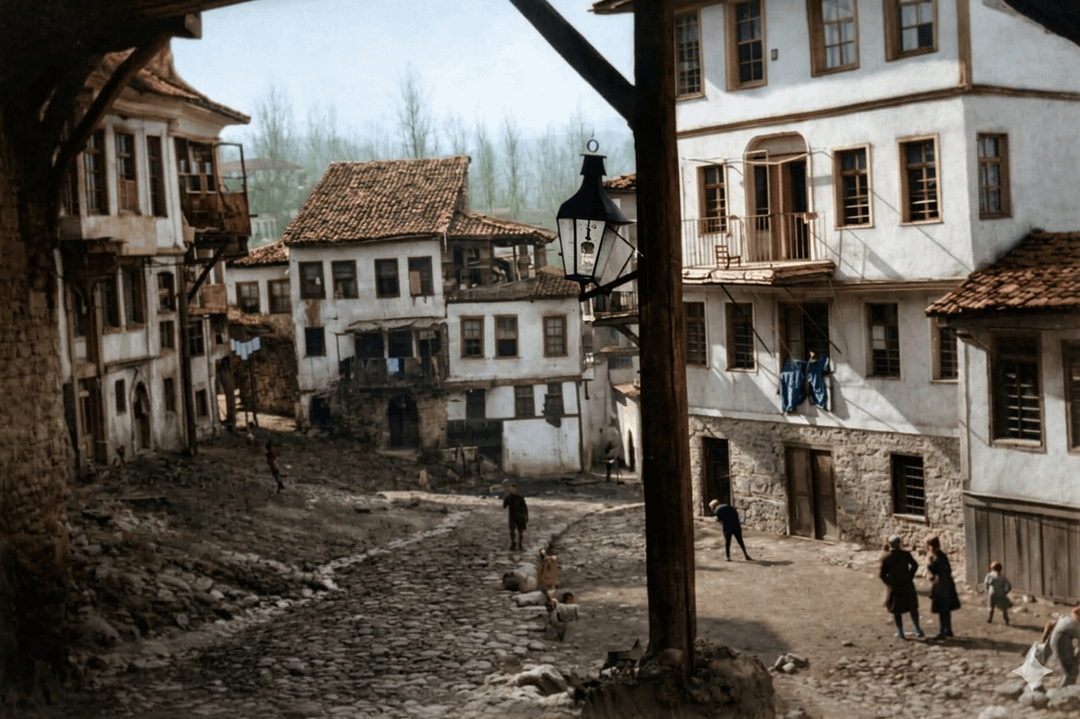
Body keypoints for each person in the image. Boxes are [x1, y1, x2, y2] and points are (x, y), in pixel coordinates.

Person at [879, 535, 924, 639]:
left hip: (895, 587)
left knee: (896, 609)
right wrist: (910, 576)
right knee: (912, 607)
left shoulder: (886, 557)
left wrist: (889, 583)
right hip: (907, 584)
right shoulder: (905, 554)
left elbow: (882, 574)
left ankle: (900, 631)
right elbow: (915, 565)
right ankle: (917, 629)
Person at [1035, 605, 1080, 688]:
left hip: (1058, 639)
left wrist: (1043, 639)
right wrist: (1077, 659)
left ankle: (1064, 687)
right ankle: (1065, 692)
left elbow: (1049, 624)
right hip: (1061, 641)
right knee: (1071, 670)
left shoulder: (1065, 617)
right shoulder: (1075, 625)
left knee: (1068, 668)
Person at [925, 536, 960, 639]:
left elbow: (935, 570)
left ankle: (942, 631)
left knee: (942, 609)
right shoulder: (942, 555)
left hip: (941, 585)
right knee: (946, 609)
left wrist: (929, 562)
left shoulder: (937, 557)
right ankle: (948, 630)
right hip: (947, 584)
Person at [983, 560, 1012, 625]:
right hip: (1000, 593)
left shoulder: (989, 575)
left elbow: (986, 584)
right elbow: (1008, 585)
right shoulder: (1003, 577)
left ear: (992, 568)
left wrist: (987, 591)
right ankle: (1006, 620)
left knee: (991, 606)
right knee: (1003, 608)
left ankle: (989, 619)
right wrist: (1005, 592)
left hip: (992, 593)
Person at [503, 484, 528, 551]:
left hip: (520, 516)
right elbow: (504, 506)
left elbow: (525, 507)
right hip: (512, 517)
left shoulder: (520, 498)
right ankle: (513, 542)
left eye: (513, 489)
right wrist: (506, 500)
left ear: (516, 490)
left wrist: (526, 516)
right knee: (512, 530)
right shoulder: (508, 498)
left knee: (520, 532)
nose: (512, 491)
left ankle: (520, 543)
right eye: (511, 489)